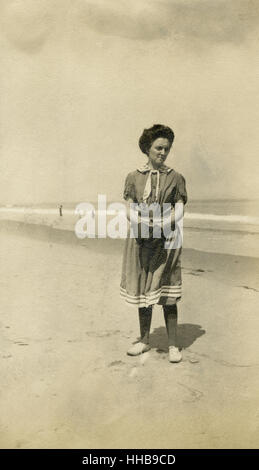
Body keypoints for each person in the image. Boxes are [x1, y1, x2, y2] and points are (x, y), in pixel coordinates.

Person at [120, 124, 187, 363]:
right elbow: (128, 205)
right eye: (158, 147)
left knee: (168, 293)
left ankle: (172, 345)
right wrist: (140, 221)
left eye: (166, 149)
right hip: (141, 238)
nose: (163, 152)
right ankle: (145, 340)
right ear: (147, 149)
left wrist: (164, 222)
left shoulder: (176, 177)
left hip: (167, 239)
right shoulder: (133, 176)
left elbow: (179, 207)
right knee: (144, 290)